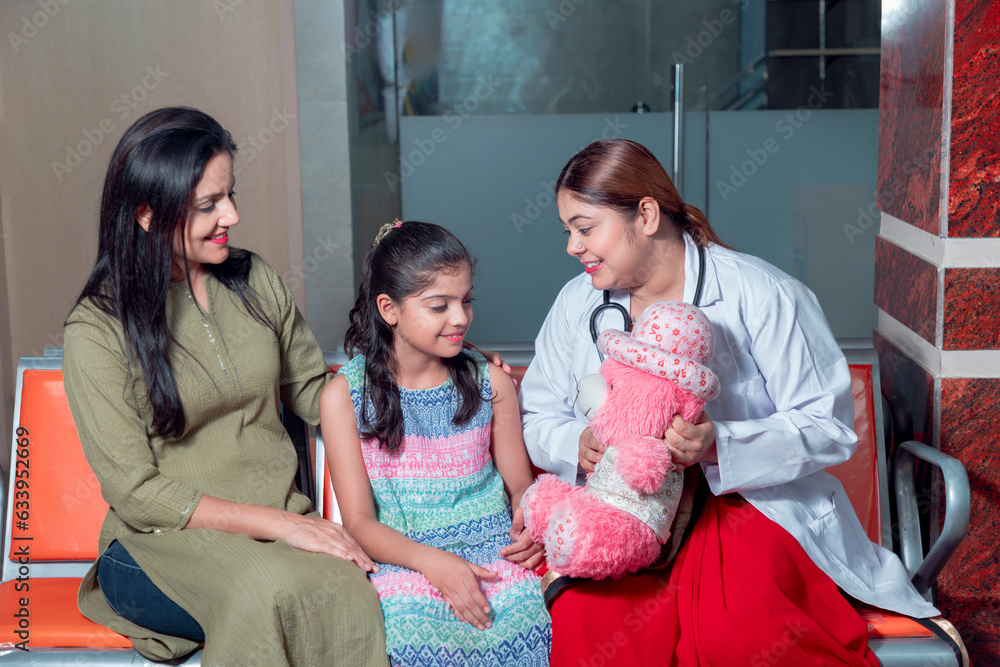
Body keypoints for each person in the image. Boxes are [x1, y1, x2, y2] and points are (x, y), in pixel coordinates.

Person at [518, 138, 940, 666]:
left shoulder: (762, 293)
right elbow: (537, 411)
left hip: (743, 503)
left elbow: (829, 426)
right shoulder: (577, 302)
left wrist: (721, 445)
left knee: (739, 637)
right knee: (594, 626)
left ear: (645, 214)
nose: (572, 247)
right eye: (568, 232)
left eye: (585, 229)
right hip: (626, 506)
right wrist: (575, 442)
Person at [63, 107, 387, 666]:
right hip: (155, 548)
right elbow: (136, 491)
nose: (230, 215)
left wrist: (434, 369)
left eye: (229, 195)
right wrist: (281, 525)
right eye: (207, 205)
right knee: (269, 594)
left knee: (353, 586)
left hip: (280, 528)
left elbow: (315, 390)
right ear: (146, 213)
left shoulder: (253, 279)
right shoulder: (96, 331)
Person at [320, 220, 552, 667]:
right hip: (405, 562)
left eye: (466, 301)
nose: (461, 317)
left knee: (535, 625)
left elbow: (520, 485)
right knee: (412, 639)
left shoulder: (493, 384)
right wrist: (435, 564)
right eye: (439, 305)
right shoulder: (345, 398)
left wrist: (530, 523)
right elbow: (361, 524)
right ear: (389, 308)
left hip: (495, 557)